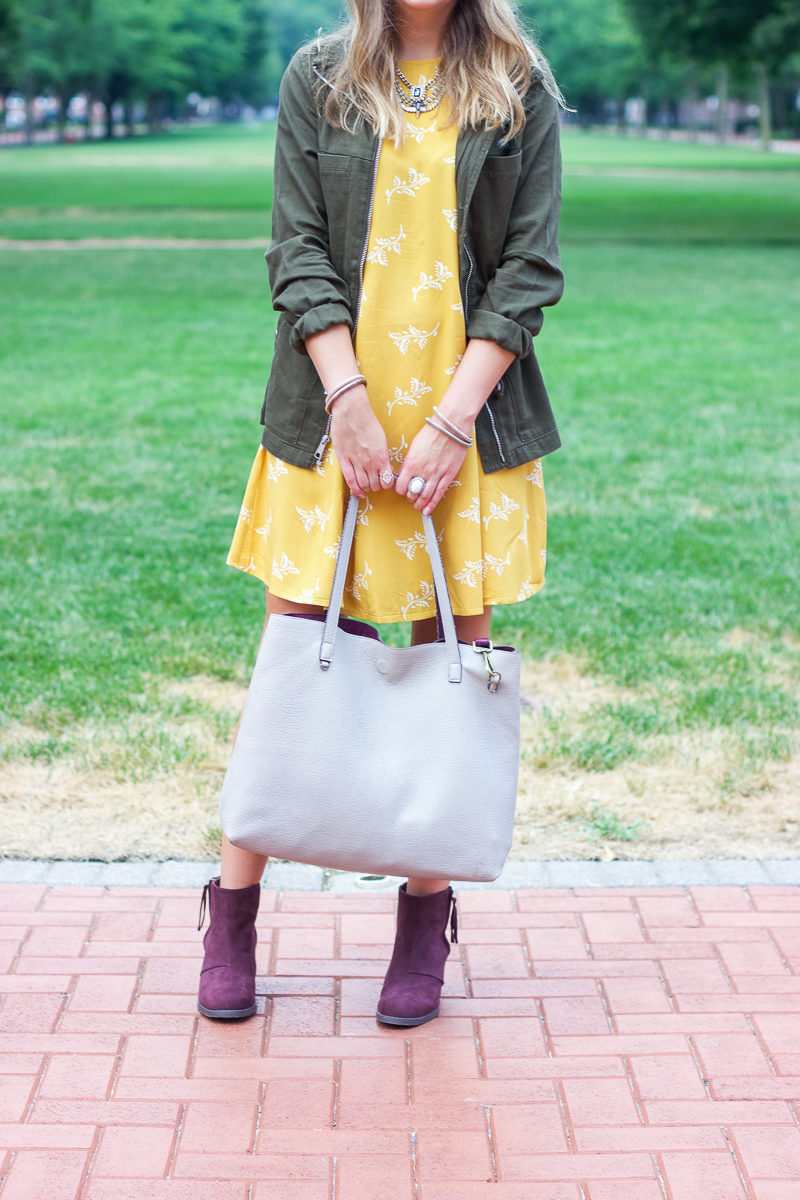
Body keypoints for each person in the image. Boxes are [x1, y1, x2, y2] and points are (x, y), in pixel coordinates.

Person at [197, 0, 565, 1027]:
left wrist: (451, 421)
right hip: (332, 415)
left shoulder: (517, 84)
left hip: (466, 422)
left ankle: (421, 920)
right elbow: (296, 250)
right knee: (292, 653)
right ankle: (230, 917)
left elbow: (528, 268)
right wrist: (348, 400)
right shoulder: (318, 76)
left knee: (456, 658)